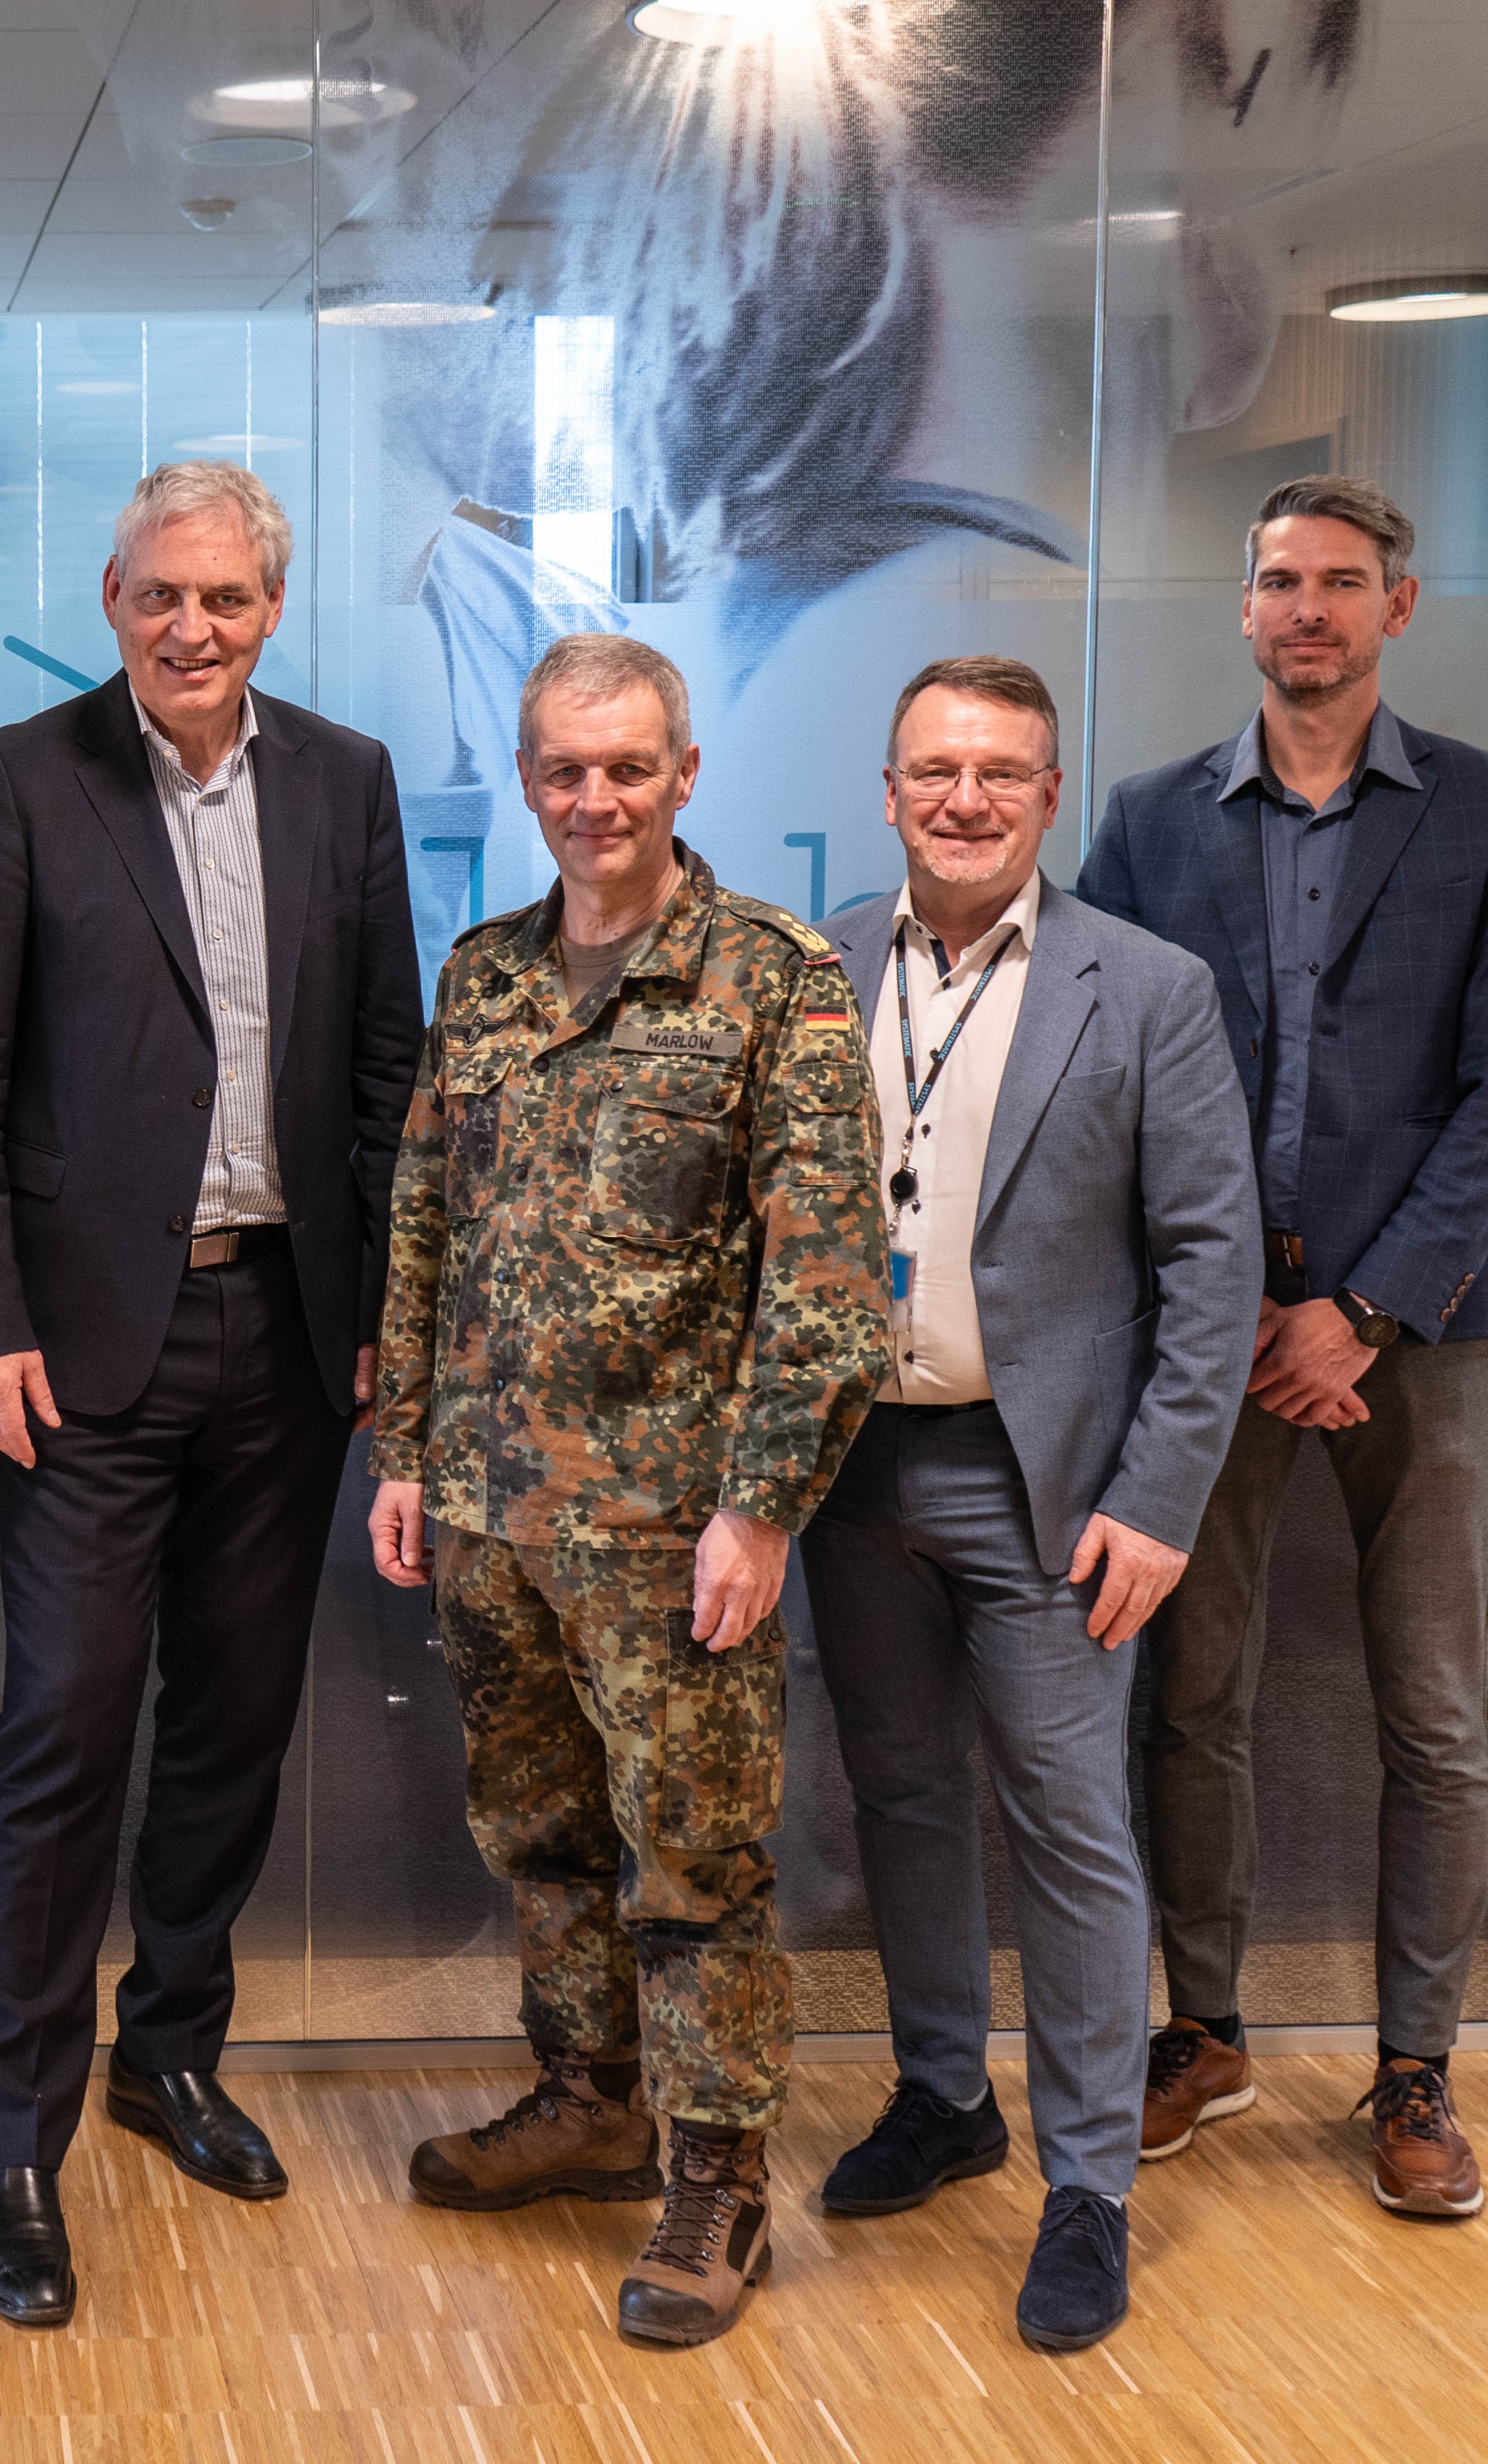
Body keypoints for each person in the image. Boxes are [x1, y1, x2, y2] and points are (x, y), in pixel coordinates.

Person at [0, 461, 421, 2329]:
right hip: (85, 1351)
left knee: (227, 1722)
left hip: (285, 1332)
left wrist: (377, 1306)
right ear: (113, 600)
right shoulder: (21, 777)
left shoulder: (345, 780)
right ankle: (13, 2140)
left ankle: (171, 2049)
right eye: (158, 599)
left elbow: (387, 1066)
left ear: (269, 609)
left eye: (223, 599)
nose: (191, 629)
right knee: (59, 1731)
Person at [369, 631, 886, 2350]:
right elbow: (426, 1226)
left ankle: (718, 2176)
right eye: (563, 771)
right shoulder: (485, 976)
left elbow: (826, 1278)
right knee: (539, 1834)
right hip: (495, 1514)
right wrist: (410, 1459)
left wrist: (759, 1505)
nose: (595, 800)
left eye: (627, 768)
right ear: (527, 781)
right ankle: (588, 2102)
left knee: (696, 1859)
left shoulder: (776, 978)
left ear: (681, 774)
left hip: (672, 1530)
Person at [1077, 473, 1488, 2221]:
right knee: (1185, 1695)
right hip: (1206, 1336)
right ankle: (1199, 2030)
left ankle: (1417, 2066)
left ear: (1398, 609)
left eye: (1341, 582)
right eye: (1279, 579)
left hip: (1421, 1332)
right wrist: (1243, 1307)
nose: (1308, 609)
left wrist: (1354, 1309)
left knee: (1434, 1708)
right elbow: (1108, 1083)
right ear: (1242, 606)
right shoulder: (1145, 825)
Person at [803, 658, 1258, 2352]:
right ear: (891, 786)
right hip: (854, 1471)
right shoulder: (820, 965)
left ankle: (1087, 2183)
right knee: (903, 1797)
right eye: (936, 768)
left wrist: (1158, 1498)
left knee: (1070, 1825)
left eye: (1001, 772)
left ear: (1049, 796)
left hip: (1052, 1490)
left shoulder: (1144, 988)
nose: (966, 798)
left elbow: (1210, 1267)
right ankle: (943, 2097)